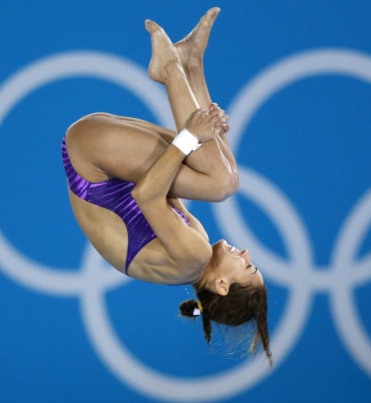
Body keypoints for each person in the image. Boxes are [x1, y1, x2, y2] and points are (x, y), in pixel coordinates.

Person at [62, 8, 272, 364]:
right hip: (97, 152)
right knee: (223, 175)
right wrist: (207, 137)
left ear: (222, 285)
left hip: (95, 158)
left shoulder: (194, 256)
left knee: (221, 183)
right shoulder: (191, 257)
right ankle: (191, 64)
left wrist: (193, 137)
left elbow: (146, 194)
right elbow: (168, 179)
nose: (248, 254)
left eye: (248, 268)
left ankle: (174, 68)